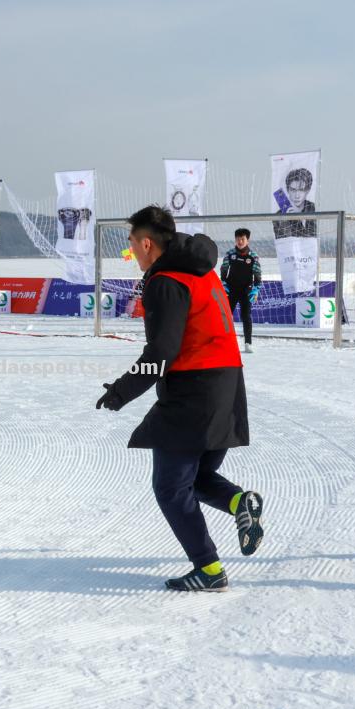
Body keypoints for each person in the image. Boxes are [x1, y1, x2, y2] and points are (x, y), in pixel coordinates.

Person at [97, 205, 263, 592]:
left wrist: (121, 391)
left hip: (194, 389)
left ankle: (208, 570)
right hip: (227, 383)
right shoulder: (200, 270)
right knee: (197, 478)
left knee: (170, 488)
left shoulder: (166, 281)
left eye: (132, 245)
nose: (132, 253)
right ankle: (241, 504)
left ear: (148, 243)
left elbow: (161, 354)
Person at [220, 228, 262, 353]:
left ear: (247, 240)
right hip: (231, 290)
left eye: (242, 239)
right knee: (226, 317)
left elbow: (258, 275)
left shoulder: (253, 256)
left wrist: (256, 289)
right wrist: (224, 284)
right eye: (238, 239)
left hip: (246, 291)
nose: (240, 241)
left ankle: (248, 343)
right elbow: (223, 270)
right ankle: (224, 342)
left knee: (246, 316)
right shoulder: (230, 254)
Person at [273, 168, 317, 239]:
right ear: (288, 190)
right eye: (293, 190)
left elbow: (311, 239)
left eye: (301, 190)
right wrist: (285, 222)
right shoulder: (278, 215)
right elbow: (284, 241)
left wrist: (300, 221)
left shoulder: (312, 208)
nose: (297, 195)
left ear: (308, 191)